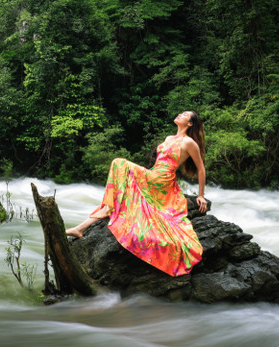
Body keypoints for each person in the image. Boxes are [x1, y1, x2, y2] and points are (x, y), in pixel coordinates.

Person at [65, 110, 208, 277]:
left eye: (184, 115)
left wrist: (201, 195)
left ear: (190, 124)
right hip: (153, 175)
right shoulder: (169, 138)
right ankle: (80, 228)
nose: (180, 115)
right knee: (119, 193)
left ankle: (83, 226)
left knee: (119, 163)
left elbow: (201, 169)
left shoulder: (189, 143)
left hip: (162, 183)